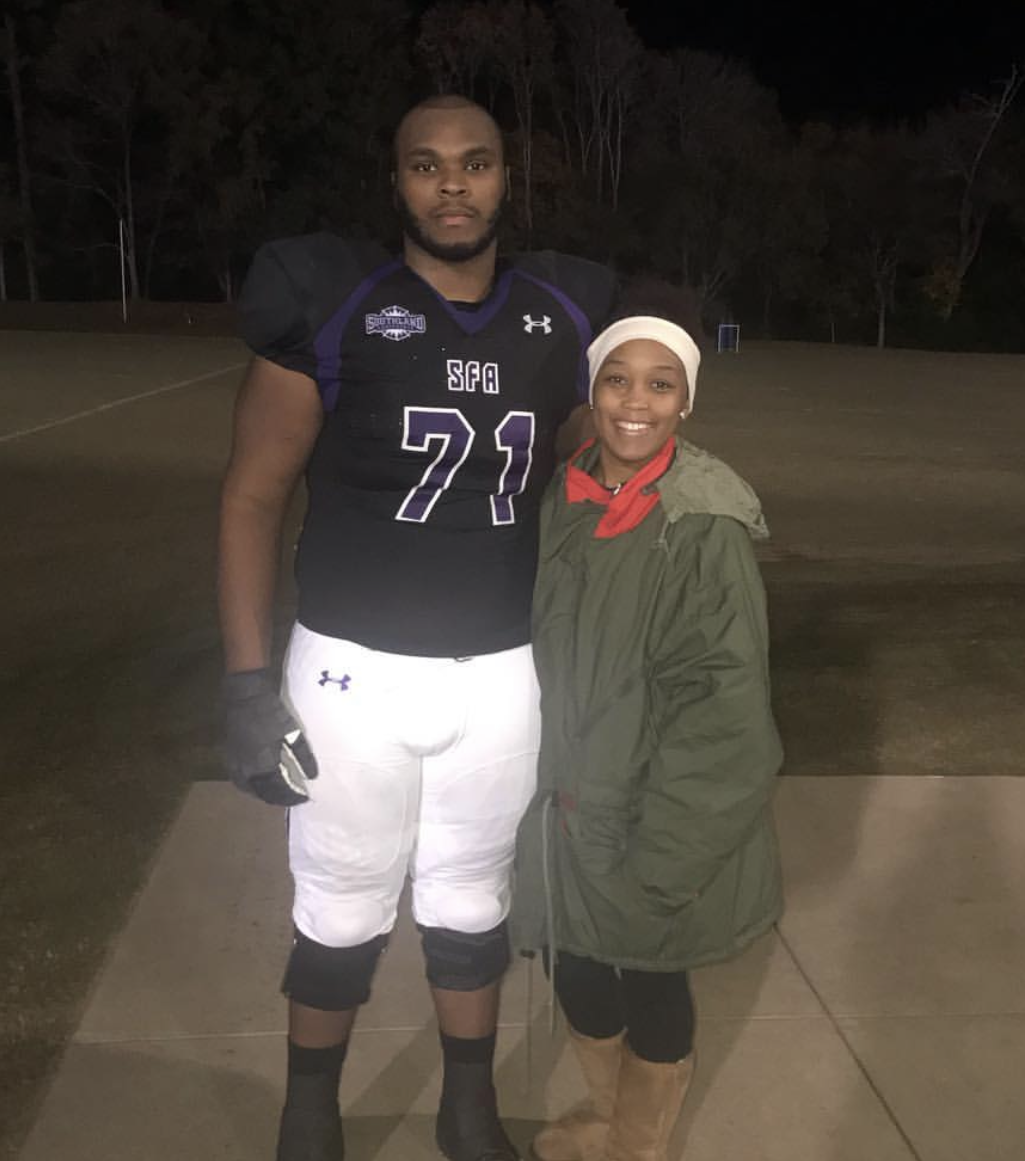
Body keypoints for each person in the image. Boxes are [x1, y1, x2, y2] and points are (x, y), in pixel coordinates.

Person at [218, 93, 615, 1161]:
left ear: (502, 179)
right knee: (341, 905)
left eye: (475, 163)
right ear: (395, 182)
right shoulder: (338, 302)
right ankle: (309, 1111)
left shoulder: (560, 315)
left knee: (468, 901)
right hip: (352, 667)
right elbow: (252, 497)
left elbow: (608, 445)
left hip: (496, 671)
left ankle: (465, 1107)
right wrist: (248, 684)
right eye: (426, 165)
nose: (452, 185)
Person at [511, 301, 784, 1161]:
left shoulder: (699, 522)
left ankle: (638, 1147)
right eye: (617, 379)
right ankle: (609, 1114)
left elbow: (725, 712)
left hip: (653, 815)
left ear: (685, 402)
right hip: (570, 801)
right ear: (591, 393)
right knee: (578, 965)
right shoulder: (566, 491)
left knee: (652, 978)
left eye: (660, 383)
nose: (637, 400)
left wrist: (668, 853)